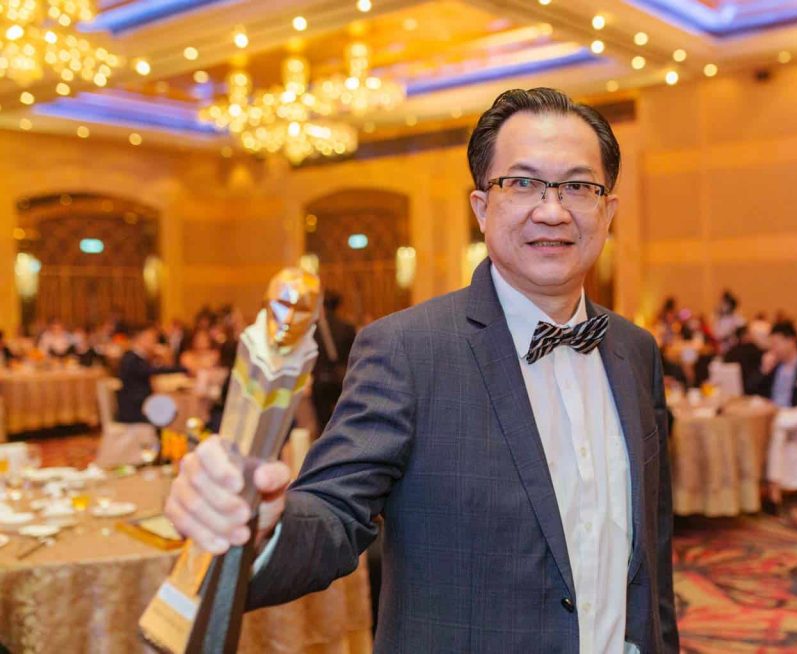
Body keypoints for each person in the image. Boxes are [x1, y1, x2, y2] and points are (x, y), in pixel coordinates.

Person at [165, 88, 678, 653]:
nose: (551, 210)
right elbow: (334, 512)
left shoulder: (635, 351)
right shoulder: (407, 350)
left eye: (578, 186)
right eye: (523, 183)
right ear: (482, 207)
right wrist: (260, 529)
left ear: (608, 209)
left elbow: (651, 551)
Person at [116, 325, 185, 423]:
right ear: (140, 338)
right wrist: (183, 369)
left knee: (172, 408)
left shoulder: (139, 357)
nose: (154, 342)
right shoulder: (132, 359)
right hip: (135, 409)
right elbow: (154, 371)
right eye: (151, 338)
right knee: (173, 411)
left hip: (141, 404)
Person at [311, 290, 358, 433]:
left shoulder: (314, 330)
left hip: (320, 381)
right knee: (345, 418)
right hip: (343, 379)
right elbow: (354, 355)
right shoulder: (347, 327)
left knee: (323, 422)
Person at [754, 320, 797, 409]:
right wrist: (763, 370)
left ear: (791, 341)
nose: (773, 349)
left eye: (776, 344)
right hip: (770, 414)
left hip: (795, 417)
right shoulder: (773, 367)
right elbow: (751, 392)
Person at [722, 324, 764, 395]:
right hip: (752, 389)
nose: (753, 336)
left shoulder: (730, 353)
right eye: (750, 334)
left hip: (731, 391)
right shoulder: (754, 350)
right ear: (745, 336)